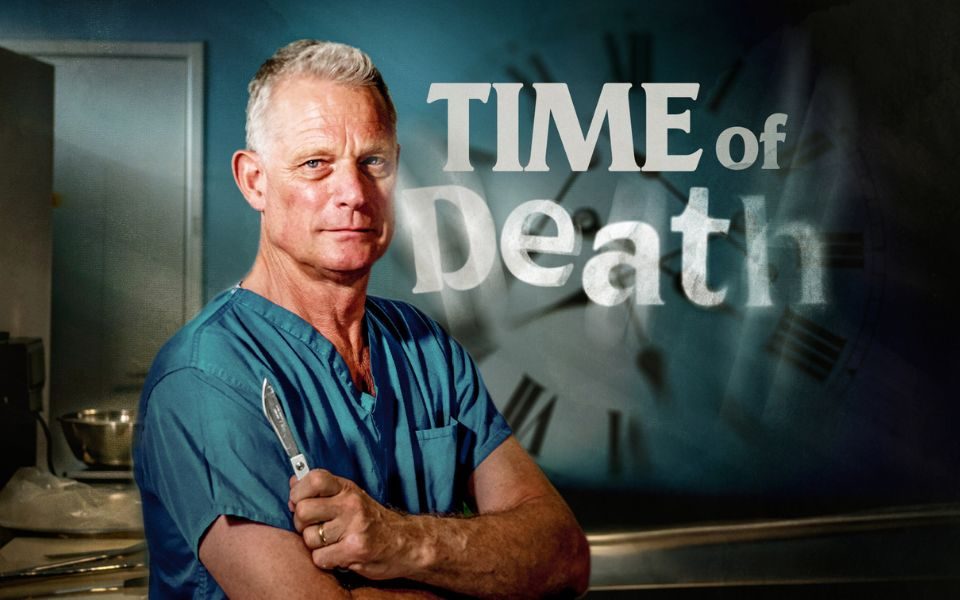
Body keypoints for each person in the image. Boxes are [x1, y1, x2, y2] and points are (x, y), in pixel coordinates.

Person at [133, 39, 590, 598]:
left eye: (373, 161)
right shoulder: (205, 378)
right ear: (255, 180)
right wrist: (484, 574)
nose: (352, 192)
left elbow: (563, 557)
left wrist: (399, 540)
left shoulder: (425, 349)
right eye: (315, 164)